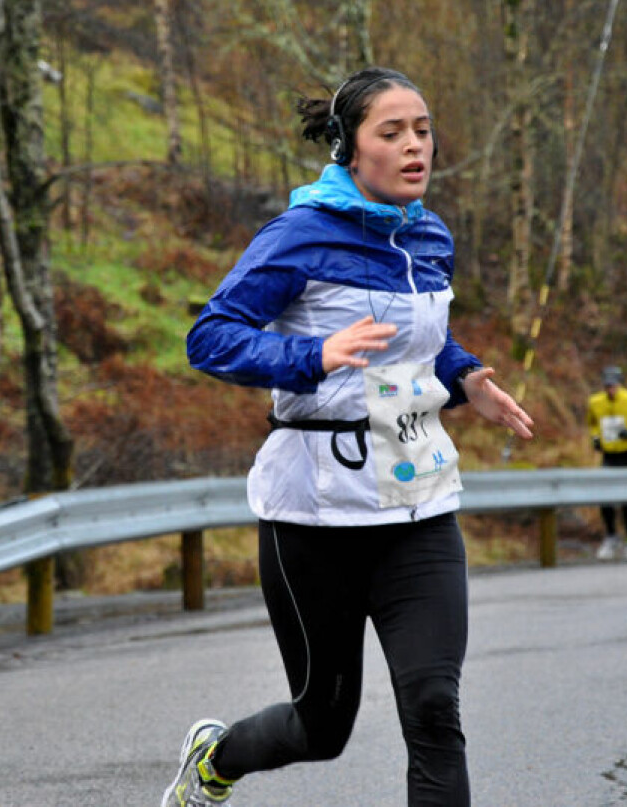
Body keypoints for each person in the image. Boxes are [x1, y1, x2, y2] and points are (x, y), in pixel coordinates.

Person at [160, 66, 535, 807]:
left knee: (434, 709)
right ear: (348, 149)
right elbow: (210, 338)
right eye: (391, 133)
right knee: (322, 724)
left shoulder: (429, 234)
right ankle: (215, 758)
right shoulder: (299, 235)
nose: (414, 147)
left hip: (417, 508)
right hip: (314, 517)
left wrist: (464, 379)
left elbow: (422, 342)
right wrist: (310, 356)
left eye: (422, 130)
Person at [586, 365, 627, 562]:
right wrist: (595, 438)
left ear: (619, 384)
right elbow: (592, 424)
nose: (610, 390)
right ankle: (611, 536)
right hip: (609, 455)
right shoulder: (595, 402)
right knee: (605, 498)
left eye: (613, 386)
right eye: (607, 386)